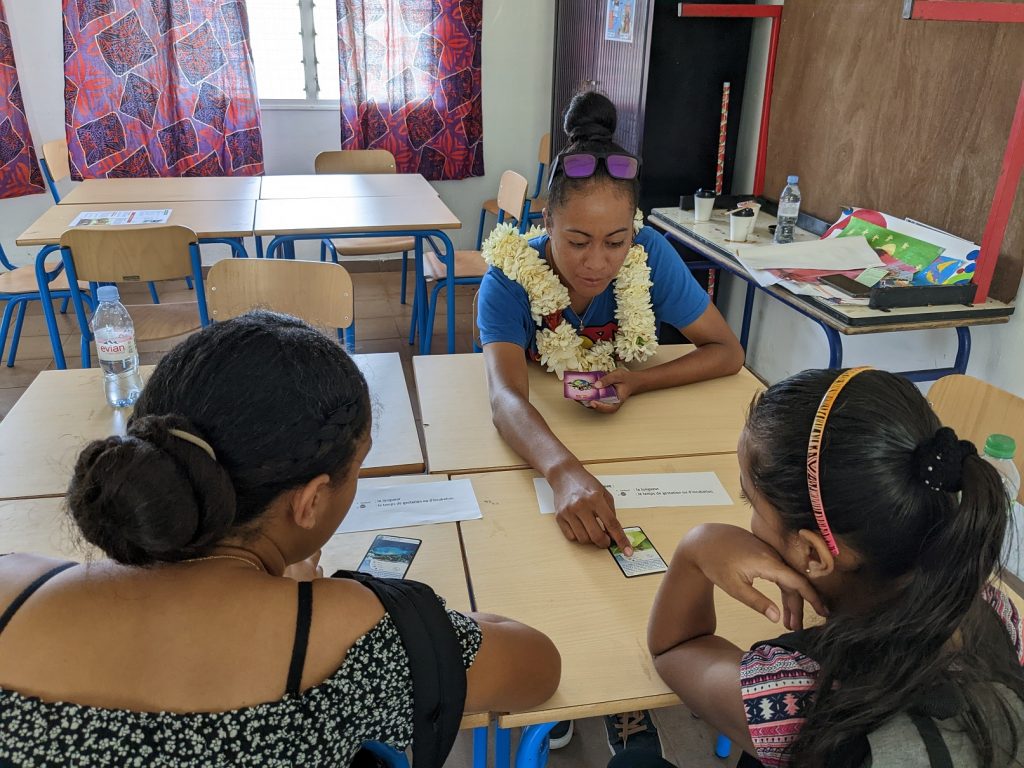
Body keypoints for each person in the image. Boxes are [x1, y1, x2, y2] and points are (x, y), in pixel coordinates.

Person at [0, 311, 560, 765]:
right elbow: (537, 666)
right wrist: (313, 597)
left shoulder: (11, 587)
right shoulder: (361, 640)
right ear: (310, 501)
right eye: (358, 467)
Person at [477, 90, 743, 756]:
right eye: (577, 241)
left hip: (635, 440)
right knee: (544, 555)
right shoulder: (509, 277)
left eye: (616, 241)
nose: (598, 262)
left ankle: (625, 685)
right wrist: (563, 469)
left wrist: (640, 380)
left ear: (636, 231)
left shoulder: (651, 258)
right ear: (545, 219)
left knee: (645, 548)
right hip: (540, 445)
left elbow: (726, 351)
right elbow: (506, 399)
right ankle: (565, 681)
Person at [648, 367, 1024, 767]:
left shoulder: (796, 694)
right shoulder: (999, 614)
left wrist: (697, 547)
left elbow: (674, 648)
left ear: (814, 555)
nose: (750, 518)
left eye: (751, 503)